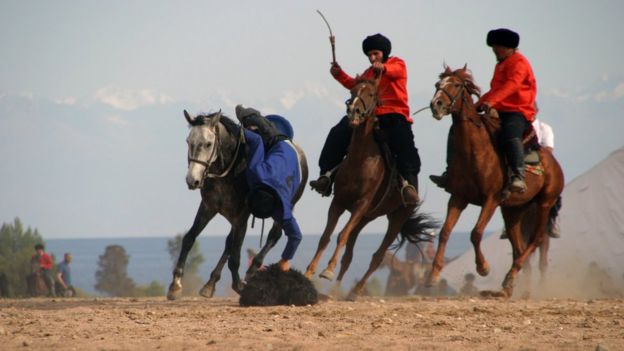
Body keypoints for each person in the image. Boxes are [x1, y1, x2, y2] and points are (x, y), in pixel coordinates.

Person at [309, 33, 421, 207]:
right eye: (369, 55)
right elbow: (354, 84)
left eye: (375, 53)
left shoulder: (397, 63)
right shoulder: (368, 73)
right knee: (337, 132)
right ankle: (326, 176)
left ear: (384, 52)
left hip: (394, 114)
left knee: (404, 144)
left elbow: (396, 71)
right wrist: (339, 74)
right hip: (369, 115)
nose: (372, 57)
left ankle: (410, 188)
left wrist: (383, 68)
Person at [431, 28, 537, 194]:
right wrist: (476, 106)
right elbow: (494, 89)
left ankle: (518, 175)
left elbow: (512, 86)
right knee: (457, 129)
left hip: (518, 111)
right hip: (499, 109)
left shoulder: (520, 64)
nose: (494, 50)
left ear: (508, 47)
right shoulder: (501, 65)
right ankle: (450, 172)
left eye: (497, 47)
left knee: (510, 135)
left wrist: (492, 102)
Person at [236, 105, 303, 272]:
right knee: (257, 123)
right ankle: (249, 115)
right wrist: (237, 129)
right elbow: (257, 140)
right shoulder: (256, 175)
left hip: (285, 152)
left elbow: (296, 236)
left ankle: (249, 114)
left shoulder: (257, 175)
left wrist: (284, 260)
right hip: (281, 144)